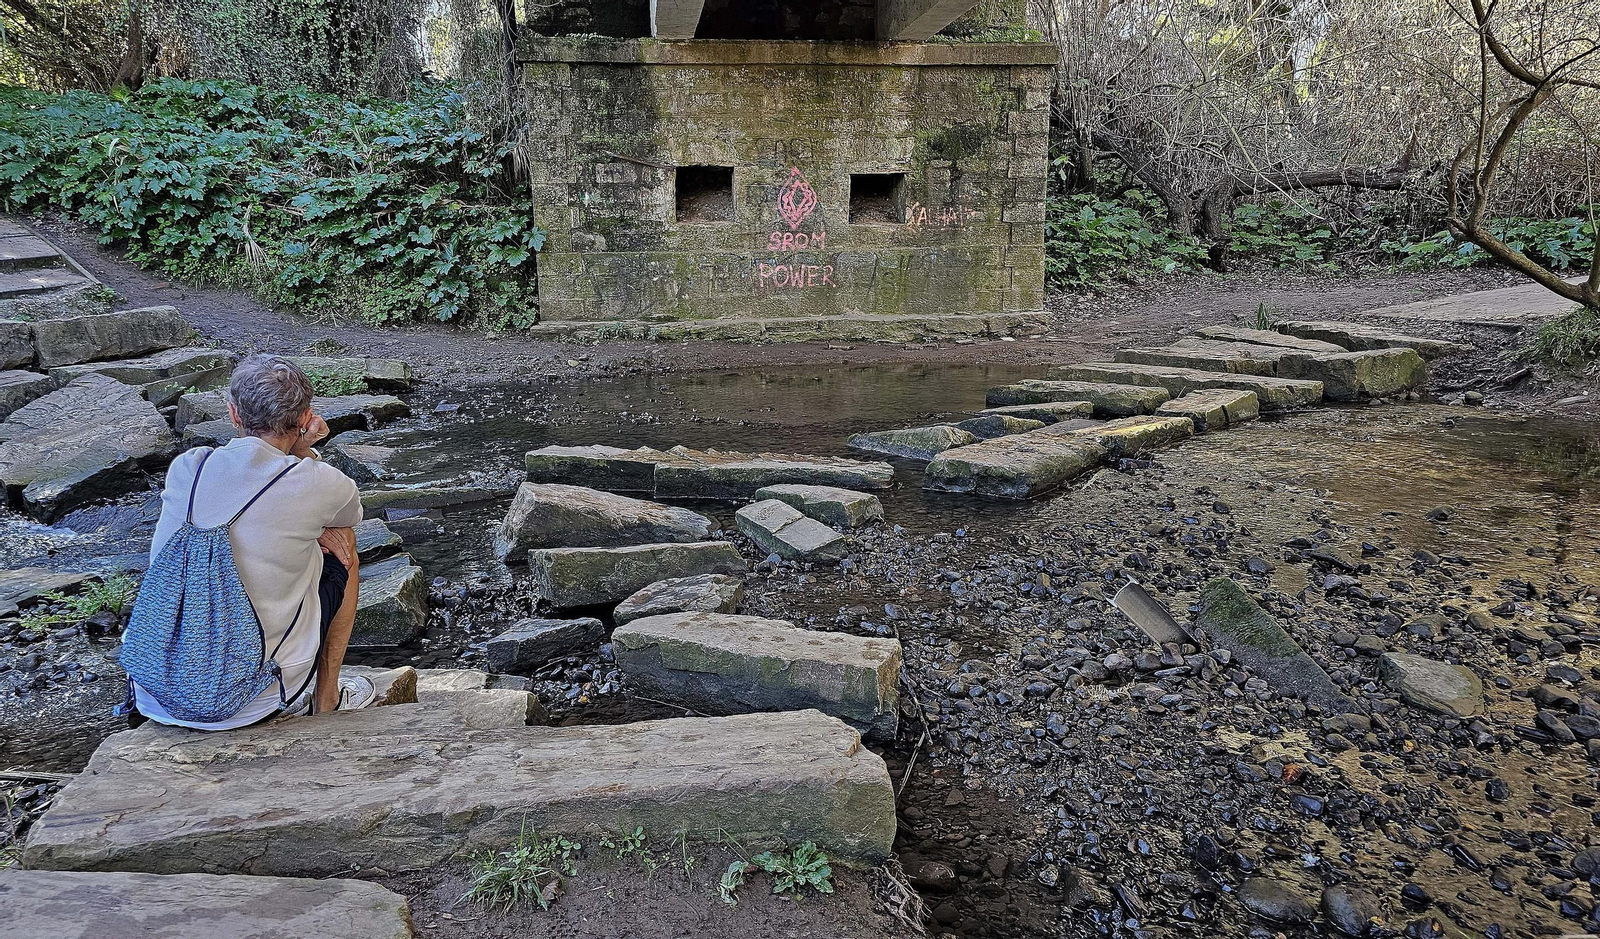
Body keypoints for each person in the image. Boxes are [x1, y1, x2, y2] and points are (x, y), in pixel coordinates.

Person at [130, 353, 370, 729]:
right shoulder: (321, 482)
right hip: (250, 702)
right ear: (306, 419)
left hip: (156, 689)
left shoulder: (188, 468)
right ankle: (327, 698)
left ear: (233, 414)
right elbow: (345, 515)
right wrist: (304, 449)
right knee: (343, 541)